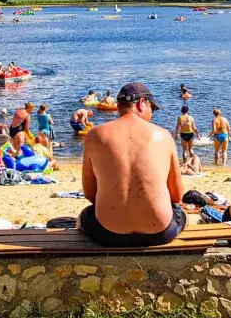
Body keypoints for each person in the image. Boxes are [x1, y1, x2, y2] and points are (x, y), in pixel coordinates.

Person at [79, 82, 185, 246]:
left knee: (84, 216)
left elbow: (90, 194)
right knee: (180, 213)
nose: (152, 115)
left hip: (108, 233)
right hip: (159, 232)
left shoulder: (94, 136)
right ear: (142, 103)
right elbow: (177, 196)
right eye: (153, 109)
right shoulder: (163, 135)